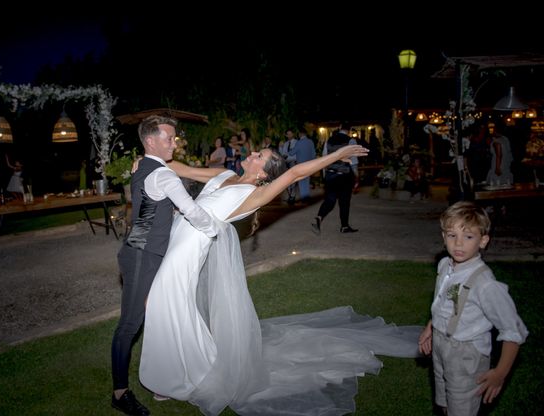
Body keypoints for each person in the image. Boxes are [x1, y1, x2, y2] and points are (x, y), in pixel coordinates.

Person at [139, 144, 424, 415]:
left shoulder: (254, 194)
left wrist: (336, 154)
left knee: (164, 302)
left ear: (263, 173)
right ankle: (187, 366)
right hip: (176, 237)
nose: (251, 153)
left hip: (190, 250)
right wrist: (148, 160)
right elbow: (183, 169)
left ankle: (176, 376)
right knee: (171, 304)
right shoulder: (223, 174)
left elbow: (296, 173)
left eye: (259, 155)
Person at [110, 115, 218, 416]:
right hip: (142, 257)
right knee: (130, 325)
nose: (175, 142)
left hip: (146, 254)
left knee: (160, 314)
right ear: (150, 141)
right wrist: (217, 229)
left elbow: (155, 210)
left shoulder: (144, 167)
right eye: (169, 138)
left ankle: (164, 377)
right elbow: (193, 211)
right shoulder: (164, 175)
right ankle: (120, 393)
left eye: (174, 137)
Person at [418, 201, 528, 416]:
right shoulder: (444, 266)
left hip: (467, 354)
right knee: (445, 402)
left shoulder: (485, 284)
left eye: (468, 237)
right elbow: (445, 302)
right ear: (444, 237)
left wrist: (501, 372)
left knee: (462, 407)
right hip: (441, 346)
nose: (459, 244)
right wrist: (431, 327)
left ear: (483, 241)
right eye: (452, 235)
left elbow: (514, 331)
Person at [311, 122, 359, 235]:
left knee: (330, 199)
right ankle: (344, 226)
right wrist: (356, 177)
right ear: (349, 130)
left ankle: (319, 217)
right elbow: (354, 161)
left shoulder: (329, 140)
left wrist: (325, 175)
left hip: (331, 174)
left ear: (340, 128)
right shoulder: (351, 141)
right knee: (344, 201)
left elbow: (324, 159)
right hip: (345, 175)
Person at [288, 129, 316, 201]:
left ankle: (304, 198)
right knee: (307, 181)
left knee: (302, 182)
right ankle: (306, 196)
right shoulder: (310, 142)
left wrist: (289, 149)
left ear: (300, 134)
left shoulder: (299, 143)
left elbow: (292, 153)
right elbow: (313, 154)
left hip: (301, 165)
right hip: (310, 164)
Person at [486, 120, 514, 187]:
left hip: (498, 164)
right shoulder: (505, 139)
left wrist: (497, 168)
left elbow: (499, 155)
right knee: (505, 183)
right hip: (506, 163)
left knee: (497, 183)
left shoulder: (496, 141)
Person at [279, 129, 297, 203]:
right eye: (287, 134)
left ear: (293, 134)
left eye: (290, 134)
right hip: (286, 162)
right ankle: (290, 195)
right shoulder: (286, 143)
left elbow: (296, 153)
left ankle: (292, 196)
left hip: (293, 162)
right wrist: (280, 147)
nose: (289, 136)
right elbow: (282, 153)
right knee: (287, 180)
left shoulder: (297, 142)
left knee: (293, 179)